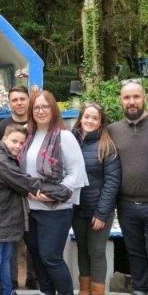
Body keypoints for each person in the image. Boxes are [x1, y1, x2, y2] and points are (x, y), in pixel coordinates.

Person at [0, 124, 73, 295]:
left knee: (4, 259)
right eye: (14, 141)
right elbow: (27, 182)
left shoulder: (7, 156)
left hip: (4, 218)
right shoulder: (1, 160)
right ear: (4, 139)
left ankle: (7, 291)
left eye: (21, 143)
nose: (17, 146)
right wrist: (62, 191)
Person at [20, 89, 88, 295]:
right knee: (36, 256)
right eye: (36, 107)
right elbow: (8, 150)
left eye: (45, 106)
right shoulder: (27, 135)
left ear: (53, 109)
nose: (40, 111)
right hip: (29, 208)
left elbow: (76, 173)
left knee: (51, 257)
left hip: (55, 209)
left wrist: (54, 194)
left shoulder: (64, 136)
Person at [0, 85, 37, 289]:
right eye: (14, 99)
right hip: (9, 192)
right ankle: (12, 281)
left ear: (28, 100)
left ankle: (34, 278)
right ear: (9, 102)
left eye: (22, 99)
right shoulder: (1, 126)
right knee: (10, 241)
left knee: (33, 239)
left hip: (33, 190)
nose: (19, 102)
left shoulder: (36, 124)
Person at [72, 102, 121, 295]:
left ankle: (98, 292)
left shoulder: (106, 145)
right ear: (81, 118)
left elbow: (112, 182)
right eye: (86, 117)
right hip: (77, 209)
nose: (89, 121)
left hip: (99, 211)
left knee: (97, 252)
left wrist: (101, 213)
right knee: (82, 249)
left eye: (94, 118)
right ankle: (84, 290)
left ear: (101, 122)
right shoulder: (71, 140)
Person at [108, 81, 148, 295]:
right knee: (134, 252)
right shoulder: (112, 130)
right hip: (126, 205)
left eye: (136, 97)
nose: (132, 102)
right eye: (127, 97)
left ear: (144, 98)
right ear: (120, 101)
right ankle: (140, 289)